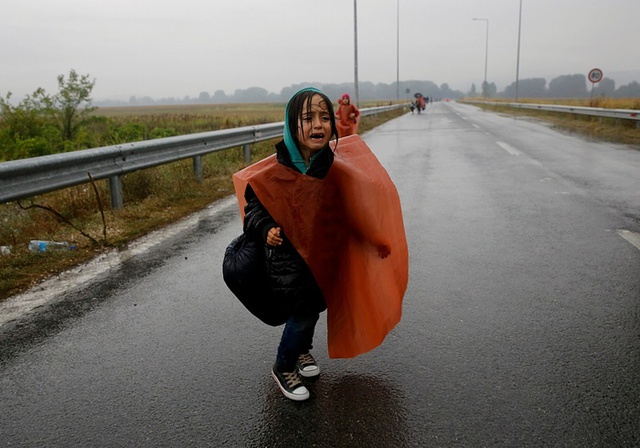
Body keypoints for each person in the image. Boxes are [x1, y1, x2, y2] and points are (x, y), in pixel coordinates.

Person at [232, 87, 408, 402]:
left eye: (324, 117)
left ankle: (301, 353)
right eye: (308, 118)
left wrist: (371, 240)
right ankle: (284, 364)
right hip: (289, 262)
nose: (318, 124)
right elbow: (254, 210)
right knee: (302, 313)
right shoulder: (274, 173)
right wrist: (267, 228)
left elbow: (347, 212)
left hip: (323, 259)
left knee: (313, 310)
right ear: (290, 125)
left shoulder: (334, 168)